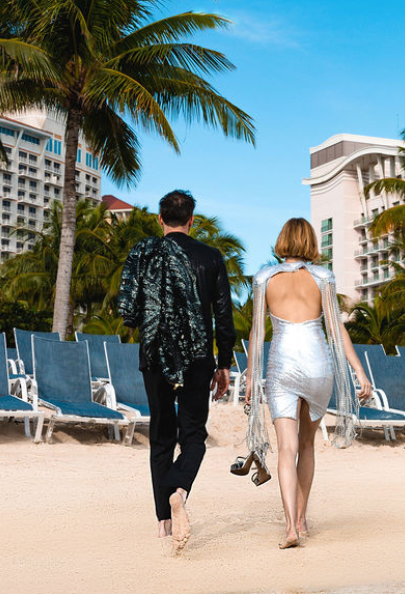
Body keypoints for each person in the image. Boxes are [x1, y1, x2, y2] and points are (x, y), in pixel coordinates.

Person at [241, 218, 371, 549]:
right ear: (311, 242)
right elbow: (336, 331)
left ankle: (289, 528)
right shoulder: (323, 277)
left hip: (282, 365)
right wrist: (359, 372)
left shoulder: (264, 278)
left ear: (282, 240)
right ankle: (302, 517)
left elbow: (257, 333)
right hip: (317, 366)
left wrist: (250, 379)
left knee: (287, 449)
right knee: (308, 446)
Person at [118, 190, 235, 552]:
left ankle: (162, 523)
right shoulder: (211, 257)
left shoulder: (142, 252)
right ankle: (180, 490)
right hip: (198, 357)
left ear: (160, 219)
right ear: (191, 220)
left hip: (153, 354)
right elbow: (223, 317)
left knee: (161, 435)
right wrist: (225, 363)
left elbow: (127, 309)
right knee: (194, 436)